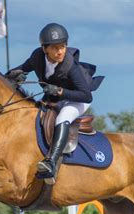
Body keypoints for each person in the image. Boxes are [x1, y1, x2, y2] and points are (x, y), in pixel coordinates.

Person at [6, 23, 104, 183]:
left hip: (76, 98)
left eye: (63, 47)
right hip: (54, 98)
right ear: (45, 49)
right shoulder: (37, 57)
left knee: (62, 118)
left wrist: (60, 92)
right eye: (55, 48)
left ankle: (51, 162)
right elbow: (21, 69)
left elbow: (86, 96)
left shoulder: (70, 66)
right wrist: (13, 76)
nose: (60, 51)